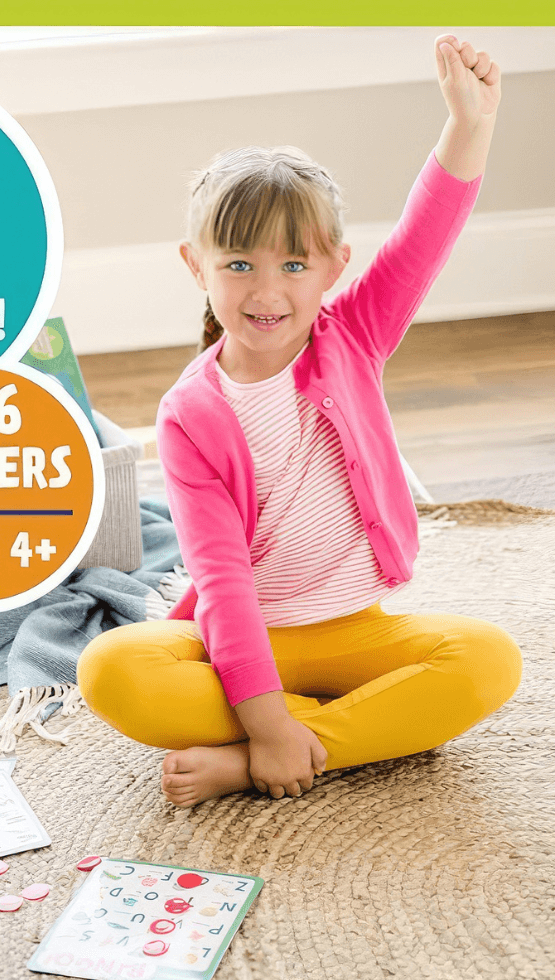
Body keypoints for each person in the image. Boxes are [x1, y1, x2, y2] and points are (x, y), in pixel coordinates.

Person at [77, 35, 522, 807]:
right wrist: (264, 709)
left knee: (489, 662)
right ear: (196, 265)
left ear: (333, 268)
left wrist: (468, 123)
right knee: (110, 671)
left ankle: (259, 757)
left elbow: (425, 235)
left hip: (356, 630)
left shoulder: (354, 334)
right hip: (244, 643)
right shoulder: (190, 415)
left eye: (294, 265)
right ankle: (311, 731)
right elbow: (221, 585)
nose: (266, 289)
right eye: (239, 264)